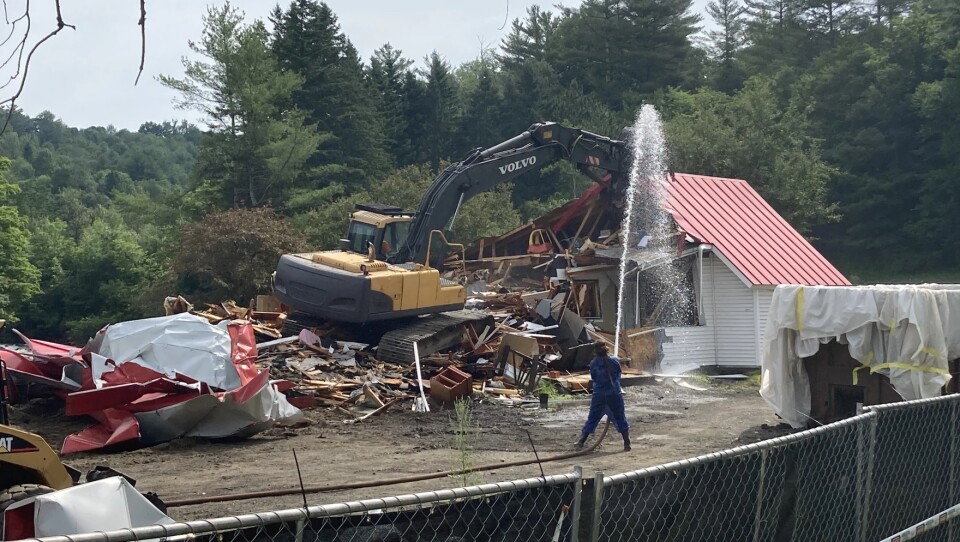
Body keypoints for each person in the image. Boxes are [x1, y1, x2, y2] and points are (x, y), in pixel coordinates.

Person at [575, 342, 631, 451]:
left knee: (592, 418)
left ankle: (581, 441)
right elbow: (619, 374)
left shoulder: (593, 363)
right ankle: (627, 443)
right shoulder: (614, 361)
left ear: (595, 351)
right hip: (614, 393)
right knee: (620, 417)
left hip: (599, 394)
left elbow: (594, 378)